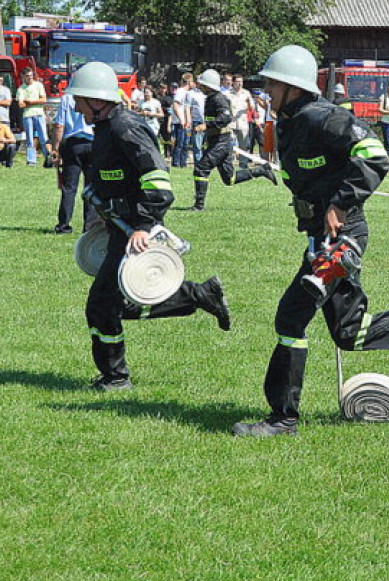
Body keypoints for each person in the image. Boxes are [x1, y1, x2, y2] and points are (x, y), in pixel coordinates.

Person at [231, 45, 389, 438]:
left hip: (341, 236)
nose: (266, 91)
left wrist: (341, 204)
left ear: (292, 87)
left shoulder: (324, 117)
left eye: (271, 84)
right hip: (321, 235)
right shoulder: (292, 121)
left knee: (290, 318)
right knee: (350, 332)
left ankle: (282, 419)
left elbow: (374, 155)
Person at [67, 61, 231, 392]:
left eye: (79, 98)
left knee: (102, 305)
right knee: (115, 303)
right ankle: (199, 295)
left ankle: (116, 378)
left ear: (97, 101)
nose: (74, 105)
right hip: (118, 228)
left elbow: (158, 181)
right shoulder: (104, 129)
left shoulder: (125, 127)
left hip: (134, 231)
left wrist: (143, 224)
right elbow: (111, 178)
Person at [190, 68, 277, 211]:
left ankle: (199, 206)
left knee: (201, 169)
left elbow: (225, 118)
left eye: (202, 84)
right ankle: (261, 170)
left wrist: (206, 126)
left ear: (208, 86)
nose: (200, 86)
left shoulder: (219, 99)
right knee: (229, 179)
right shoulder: (211, 98)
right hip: (218, 141)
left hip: (221, 142)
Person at [51, 89, 96, 234]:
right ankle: (89, 227)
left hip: (72, 145)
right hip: (92, 143)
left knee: (69, 187)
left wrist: (55, 149)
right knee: (91, 188)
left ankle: (64, 224)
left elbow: (59, 125)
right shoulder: (93, 95)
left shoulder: (67, 98)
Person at [17, 68, 49, 166]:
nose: (29, 78)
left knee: (44, 137)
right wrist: (35, 101)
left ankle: (48, 158)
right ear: (24, 77)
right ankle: (31, 160)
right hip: (27, 115)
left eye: (31, 75)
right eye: (27, 76)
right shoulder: (21, 89)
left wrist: (30, 101)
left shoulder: (39, 85)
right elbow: (21, 105)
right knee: (30, 139)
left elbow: (43, 99)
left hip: (39, 114)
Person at [227, 74, 254, 152]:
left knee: (244, 147)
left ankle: (243, 164)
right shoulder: (227, 94)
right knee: (230, 146)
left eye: (241, 82)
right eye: (238, 81)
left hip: (242, 124)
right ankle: (229, 163)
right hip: (231, 124)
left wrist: (249, 102)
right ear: (233, 82)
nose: (240, 84)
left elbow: (251, 109)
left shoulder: (246, 93)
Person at [170, 78, 190, 167]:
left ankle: (183, 163)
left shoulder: (189, 93)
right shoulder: (181, 91)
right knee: (179, 144)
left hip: (187, 123)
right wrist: (181, 119)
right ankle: (176, 163)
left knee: (185, 144)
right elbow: (175, 105)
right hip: (180, 123)